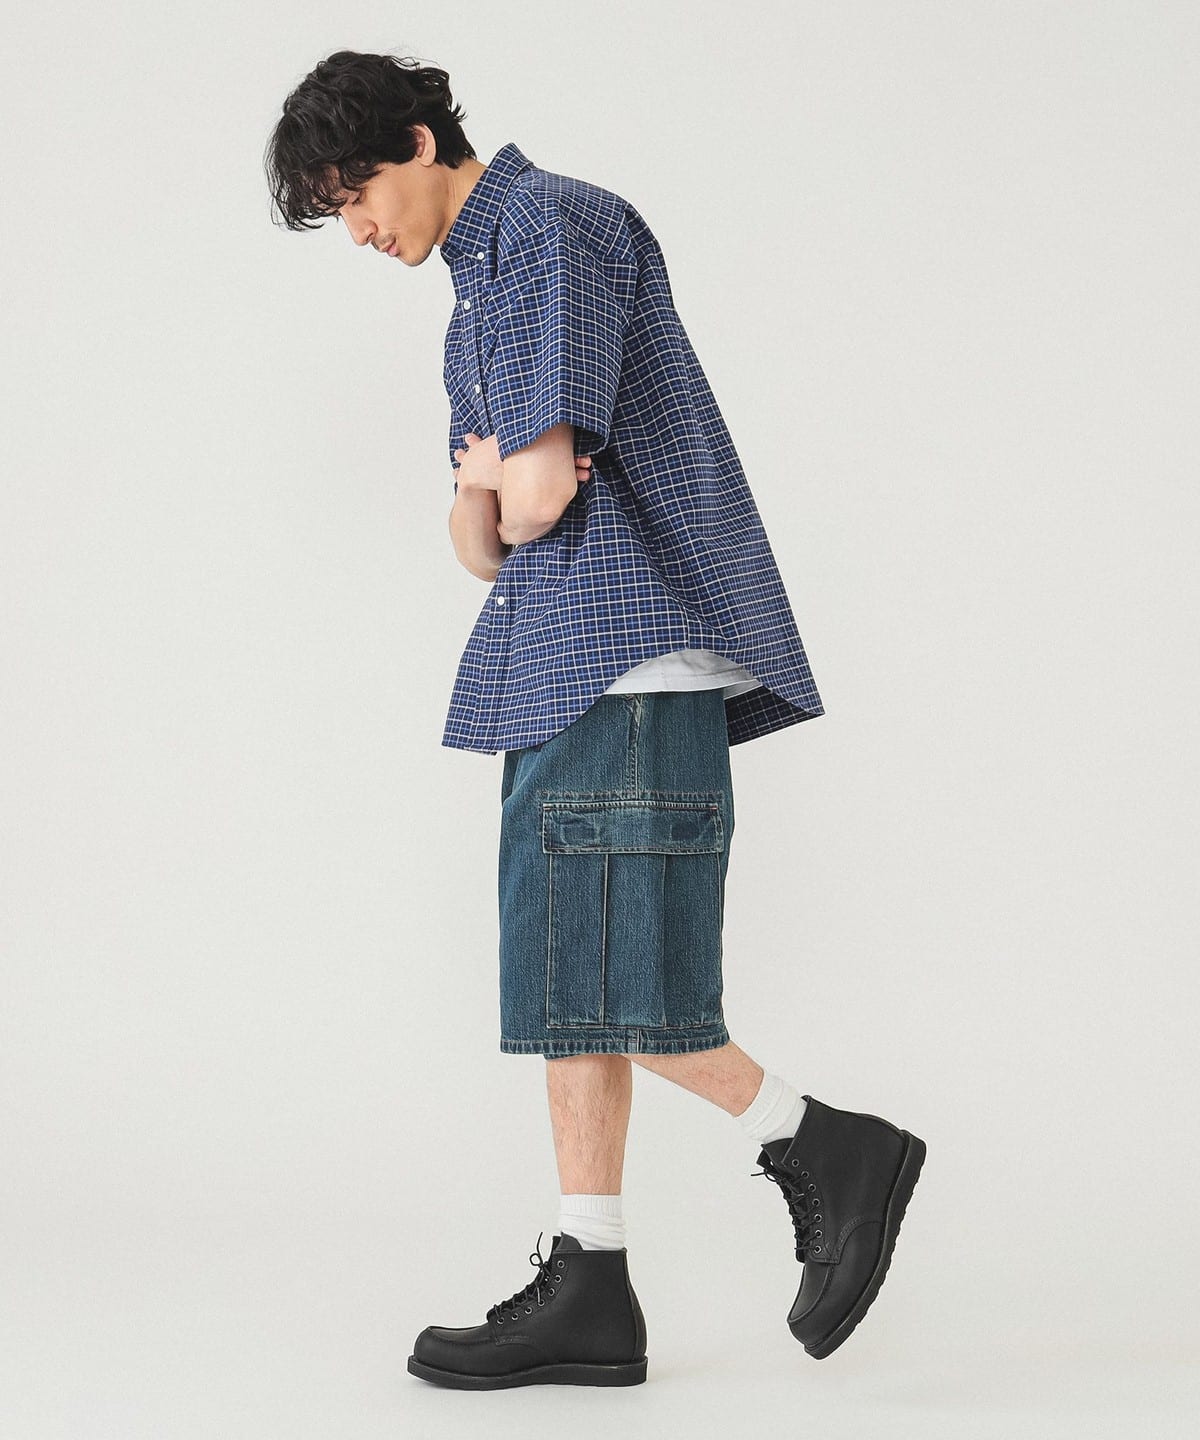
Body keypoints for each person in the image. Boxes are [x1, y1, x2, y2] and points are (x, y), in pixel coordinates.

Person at [265, 50, 926, 1390]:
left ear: (420, 140)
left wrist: (500, 482)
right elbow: (480, 543)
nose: (361, 228)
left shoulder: (554, 229)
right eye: (337, 211)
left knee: (628, 988)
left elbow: (533, 499)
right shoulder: (475, 298)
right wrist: (493, 486)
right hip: (557, 663)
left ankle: (827, 1144)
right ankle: (593, 1283)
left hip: (625, 658)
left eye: (360, 191)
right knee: (569, 988)